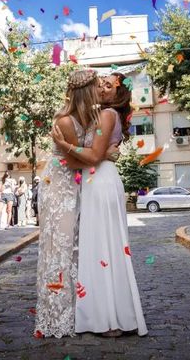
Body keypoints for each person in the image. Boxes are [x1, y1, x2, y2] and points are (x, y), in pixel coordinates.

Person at [52, 72, 148, 338]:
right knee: (106, 247)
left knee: (103, 248)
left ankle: (109, 320)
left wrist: (64, 144)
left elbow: (94, 155)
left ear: (119, 93)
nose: (102, 89)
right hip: (101, 179)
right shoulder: (106, 115)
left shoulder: (107, 115)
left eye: (108, 86)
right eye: (101, 84)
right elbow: (100, 152)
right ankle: (111, 315)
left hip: (100, 180)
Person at [35, 69, 106, 338]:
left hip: (76, 186)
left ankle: (80, 311)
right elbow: (77, 161)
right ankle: (57, 317)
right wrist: (102, 155)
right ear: (86, 92)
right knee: (60, 247)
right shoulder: (65, 121)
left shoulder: (91, 118)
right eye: (97, 87)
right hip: (59, 188)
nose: (100, 90)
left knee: (77, 247)